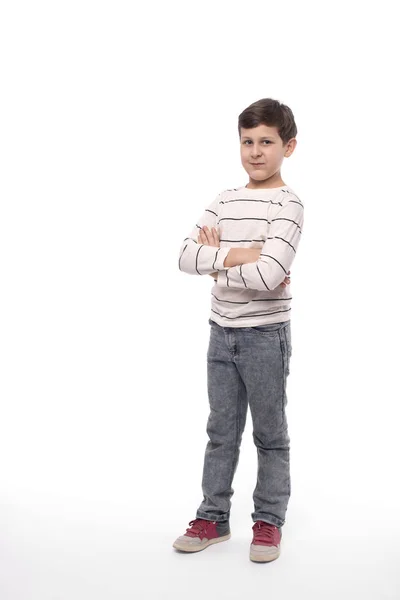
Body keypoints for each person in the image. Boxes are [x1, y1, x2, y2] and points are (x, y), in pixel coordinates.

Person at [173, 98, 304, 562]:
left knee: (269, 433)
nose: (255, 151)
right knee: (221, 431)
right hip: (220, 331)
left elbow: (271, 277)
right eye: (247, 141)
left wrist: (215, 264)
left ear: (288, 146)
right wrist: (240, 255)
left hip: (265, 336)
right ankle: (213, 517)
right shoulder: (224, 200)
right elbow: (185, 257)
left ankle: (268, 522)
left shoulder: (288, 205)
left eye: (266, 142)